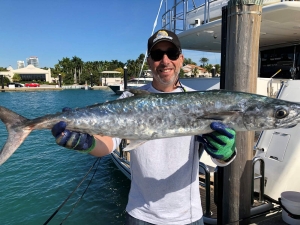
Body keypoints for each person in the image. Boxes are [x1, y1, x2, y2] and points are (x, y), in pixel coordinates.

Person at [51, 29, 236, 225]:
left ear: (181, 59)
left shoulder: (199, 101)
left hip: (188, 217)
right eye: (157, 55)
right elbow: (107, 143)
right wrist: (87, 144)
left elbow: (220, 158)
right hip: (140, 215)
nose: (165, 61)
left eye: (171, 54)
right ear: (149, 61)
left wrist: (225, 152)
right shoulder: (129, 99)